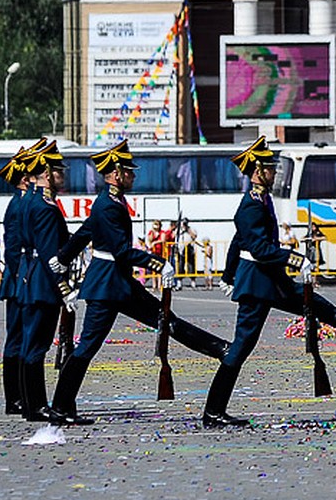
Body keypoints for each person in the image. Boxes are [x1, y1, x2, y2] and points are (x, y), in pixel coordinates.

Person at [203, 137, 336, 428]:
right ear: (257, 170)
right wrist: (295, 259)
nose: (274, 172)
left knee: (320, 306)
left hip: (270, 281)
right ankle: (213, 411)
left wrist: (227, 274)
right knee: (242, 346)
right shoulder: (251, 205)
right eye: (269, 167)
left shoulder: (261, 199)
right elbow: (256, 248)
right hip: (258, 285)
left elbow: (238, 240)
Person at [47, 139, 230, 426]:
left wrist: (64, 257)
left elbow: (85, 232)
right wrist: (158, 263)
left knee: (164, 319)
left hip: (117, 283)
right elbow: (120, 251)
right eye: (129, 171)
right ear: (116, 173)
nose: (134, 175)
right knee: (88, 347)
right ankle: (60, 407)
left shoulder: (110, 201)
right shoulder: (109, 205)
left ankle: (218, 348)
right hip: (107, 287)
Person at [16, 140, 74, 422]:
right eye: (59, 170)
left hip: (30, 276)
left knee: (30, 345)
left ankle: (30, 405)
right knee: (37, 346)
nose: (64, 175)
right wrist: (63, 287)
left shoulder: (30, 201)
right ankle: (38, 405)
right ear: (49, 173)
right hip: (42, 280)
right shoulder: (46, 208)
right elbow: (52, 253)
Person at [0, 140, 41, 416]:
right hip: (17, 279)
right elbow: (12, 248)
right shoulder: (17, 206)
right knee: (16, 339)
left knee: (23, 338)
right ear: (25, 179)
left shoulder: (24, 203)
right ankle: (14, 398)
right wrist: (20, 277)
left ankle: (22, 396)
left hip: (21, 276)